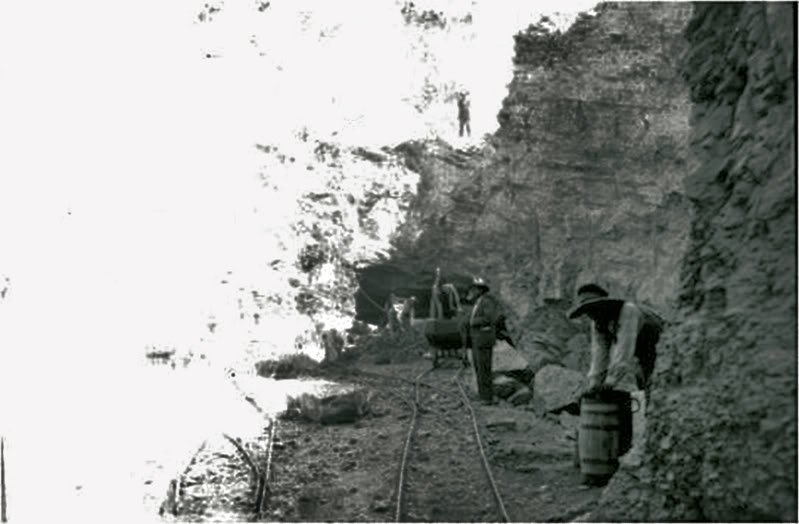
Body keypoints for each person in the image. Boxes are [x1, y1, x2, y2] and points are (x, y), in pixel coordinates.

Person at [568, 283, 663, 461]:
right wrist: (594, 385)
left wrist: (610, 383)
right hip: (642, 356)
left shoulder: (629, 311)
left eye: (592, 308)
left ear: (604, 304)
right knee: (640, 396)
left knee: (655, 396)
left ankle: (653, 452)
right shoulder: (598, 323)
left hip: (663, 350)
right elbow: (599, 355)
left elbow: (623, 351)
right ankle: (631, 449)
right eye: (587, 310)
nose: (590, 314)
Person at [465, 276, 503, 404]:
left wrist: (473, 322)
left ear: (480, 290)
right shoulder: (479, 302)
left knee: (484, 369)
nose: (472, 291)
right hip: (478, 340)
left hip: (484, 340)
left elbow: (490, 318)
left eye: (475, 289)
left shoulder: (486, 301)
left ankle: (487, 398)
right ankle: (482, 395)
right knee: (479, 368)